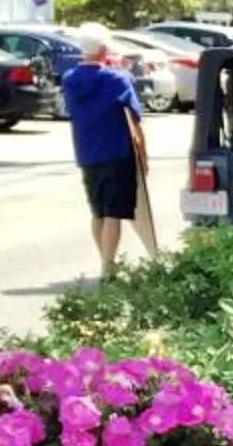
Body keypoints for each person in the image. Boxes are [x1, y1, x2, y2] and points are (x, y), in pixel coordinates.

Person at [59, 24, 160, 275]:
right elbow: (134, 118)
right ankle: (108, 267)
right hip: (117, 151)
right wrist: (144, 155)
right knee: (114, 214)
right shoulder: (117, 79)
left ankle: (106, 262)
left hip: (87, 153)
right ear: (103, 49)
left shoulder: (70, 79)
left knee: (98, 212)